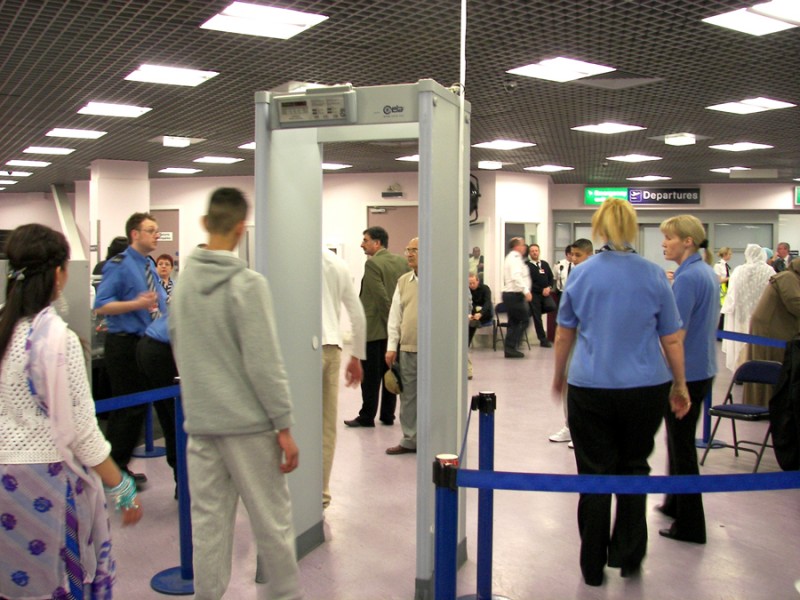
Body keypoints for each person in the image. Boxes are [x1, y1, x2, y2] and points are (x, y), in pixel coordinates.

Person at [169, 188, 302, 600]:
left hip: (202, 423)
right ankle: (284, 595)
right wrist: (283, 425)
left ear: (206, 224)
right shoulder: (248, 284)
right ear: (242, 228)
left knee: (208, 525)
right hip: (248, 426)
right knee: (272, 521)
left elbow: (177, 343)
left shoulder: (184, 282)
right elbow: (264, 363)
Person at [0, 224, 142, 600]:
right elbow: (81, 430)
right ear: (59, 274)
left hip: (3, 482)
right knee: (58, 582)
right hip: (46, 482)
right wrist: (122, 486)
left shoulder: (3, 329)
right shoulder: (56, 340)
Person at [552, 198, 688, 587]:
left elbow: (564, 332)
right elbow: (672, 340)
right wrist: (680, 385)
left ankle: (592, 565)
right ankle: (629, 556)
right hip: (645, 387)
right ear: (632, 228)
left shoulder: (582, 273)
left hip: (590, 386)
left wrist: (559, 375)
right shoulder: (653, 275)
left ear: (599, 229)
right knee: (634, 467)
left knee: (594, 474)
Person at [658, 215, 719, 545]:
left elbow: (675, 335)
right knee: (675, 441)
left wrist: (675, 381)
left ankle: (691, 524)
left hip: (687, 373)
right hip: (703, 367)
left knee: (682, 447)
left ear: (688, 241)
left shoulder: (687, 279)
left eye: (670, 237)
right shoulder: (704, 272)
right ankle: (673, 502)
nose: (664, 242)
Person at [94, 212, 168, 486]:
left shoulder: (148, 265)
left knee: (140, 408)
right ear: (135, 234)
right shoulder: (120, 264)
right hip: (124, 343)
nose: (156, 234)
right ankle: (114, 471)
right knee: (128, 410)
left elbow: (158, 302)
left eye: (157, 230)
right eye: (150, 230)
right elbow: (101, 304)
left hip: (147, 343)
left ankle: (118, 466)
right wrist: (135, 304)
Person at [344, 226, 409, 428]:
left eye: (365, 240)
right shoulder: (402, 262)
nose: (362, 244)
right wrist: (398, 327)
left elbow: (381, 299)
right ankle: (387, 415)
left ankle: (367, 416)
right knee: (390, 371)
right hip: (395, 330)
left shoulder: (372, 265)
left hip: (374, 329)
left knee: (371, 377)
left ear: (377, 243)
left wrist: (390, 323)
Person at [321, 247, 366, 508]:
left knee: (296, 425)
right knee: (326, 427)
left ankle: (296, 495)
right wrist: (356, 356)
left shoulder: (289, 258)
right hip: (332, 349)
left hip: (301, 350)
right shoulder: (337, 263)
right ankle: (321, 496)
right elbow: (357, 314)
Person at [548, 238, 593, 446]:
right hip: (572, 334)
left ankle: (580, 429)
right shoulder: (571, 272)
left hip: (587, 338)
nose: (574, 259)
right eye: (572, 255)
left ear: (589, 254)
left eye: (578, 255)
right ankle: (570, 426)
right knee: (568, 382)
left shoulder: (593, 275)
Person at [745, 257, 800, 406]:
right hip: (769, 329)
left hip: (775, 327)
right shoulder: (788, 277)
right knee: (769, 365)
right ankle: (767, 404)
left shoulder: (792, 278)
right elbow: (795, 304)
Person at [385, 238, 420, 455]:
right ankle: (410, 439)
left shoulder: (439, 279)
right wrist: (391, 346)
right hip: (408, 349)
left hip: (435, 351)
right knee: (408, 397)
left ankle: (438, 439)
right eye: (407, 250)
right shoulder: (403, 281)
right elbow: (394, 317)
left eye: (414, 250)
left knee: (437, 395)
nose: (408, 254)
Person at [720, 244, 775, 373]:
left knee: (740, 343)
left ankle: (740, 370)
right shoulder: (769, 271)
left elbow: (732, 294)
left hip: (741, 314)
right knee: (758, 344)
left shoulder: (739, 270)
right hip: (762, 315)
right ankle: (758, 369)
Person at [502, 237, 532, 358]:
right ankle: (511, 346)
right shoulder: (514, 259)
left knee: (514, 322)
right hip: (513, 295)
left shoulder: (516, 258)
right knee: (524, 320)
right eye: (523, 245)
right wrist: (526, 291)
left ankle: (510, 348)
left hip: (514, 295)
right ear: (516, 247)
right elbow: (516, 276)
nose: (525, 247)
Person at [527, 243, 554, 347]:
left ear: (539, 251)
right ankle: (543, 339)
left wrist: (549, 287)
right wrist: (540, 289)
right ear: (530, 253)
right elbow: (528, 282)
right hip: (535, 295)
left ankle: (535, 311)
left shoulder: (545, 264)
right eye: (532, 251)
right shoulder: (528, 266)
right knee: (538, 318)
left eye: (536, 250)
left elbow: (551, 278)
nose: (535, 252)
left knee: (552, 306)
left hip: (546, 293)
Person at [467, 272, 493, 347]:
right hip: (472, 313)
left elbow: (487, 303)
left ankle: (466, 346)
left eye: (473, 283)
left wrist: (480, 313)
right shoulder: (467, 290)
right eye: (469, 283)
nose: (471, 285)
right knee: (471, 321)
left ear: (478, 281)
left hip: (484, 313)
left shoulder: (485, 289)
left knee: (472, 323)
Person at [714, 246, 732, 330]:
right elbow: (718, 280)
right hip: (721, 290)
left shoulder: (727, 266)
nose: (730, 256)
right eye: (729, 254)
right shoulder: (718, 266)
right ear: (725, 254)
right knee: (720, 311)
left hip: (726, 289)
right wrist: (730, 278)